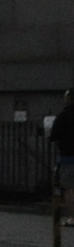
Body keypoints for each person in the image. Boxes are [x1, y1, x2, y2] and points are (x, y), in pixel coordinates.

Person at [53, 90, 74, 226]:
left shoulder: (63, 116)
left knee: (69, 188)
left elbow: (54, 136)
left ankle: (73, 216)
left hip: (68, 157)